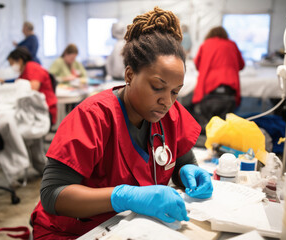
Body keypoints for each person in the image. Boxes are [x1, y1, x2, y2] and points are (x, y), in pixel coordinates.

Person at [31, 7, 213, 239]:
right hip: (74, 231)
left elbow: (182, 162)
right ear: (129, 76)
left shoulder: (171, 113)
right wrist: (123, 196)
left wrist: (190, 172)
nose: (167, 101)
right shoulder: (92, 117)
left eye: (175, 92)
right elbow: (52, 195)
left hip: (130, 226)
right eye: (157, 87)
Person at [192, 26, 245, 128]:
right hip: (229, 90)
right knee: (225, 124)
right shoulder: (232, 45)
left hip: (209, 90)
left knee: (208, 124)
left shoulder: (205, 45)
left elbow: (197, 64)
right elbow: (241, 65)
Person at [7, 47, 58, 125]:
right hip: (35, 109)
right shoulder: (24, 71)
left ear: (20, 61)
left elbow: (32, 90)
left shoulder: (32, 68)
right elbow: (16, 83)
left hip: (44, 112)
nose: (12, 67)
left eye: (12, 64)